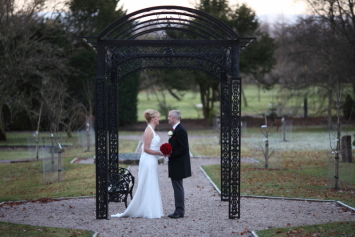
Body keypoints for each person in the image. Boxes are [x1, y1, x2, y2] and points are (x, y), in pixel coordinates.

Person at [111, 109, 164, 219]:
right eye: (158, 117)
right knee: (149, 183)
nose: (159, 119)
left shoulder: (152, 130)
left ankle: (151, 210)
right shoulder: (148, 130)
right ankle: (148, 211)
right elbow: (145, 149)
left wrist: (161, 152)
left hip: (152, 159)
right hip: (148, 160)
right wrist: (159, 153)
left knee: (152, 183)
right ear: (153, 119)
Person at [166, 110, 192, 218]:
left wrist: (171, 154)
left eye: (169, 116)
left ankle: (179, 211)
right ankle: (179, 210)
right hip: (176, 163)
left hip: (178, 163)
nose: (167, 118)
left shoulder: (180, 130)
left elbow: (184, 148)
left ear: (174, 118)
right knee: (177, 186)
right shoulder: (175, 129)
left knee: (178, 187)